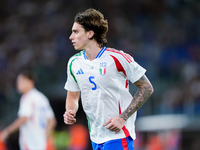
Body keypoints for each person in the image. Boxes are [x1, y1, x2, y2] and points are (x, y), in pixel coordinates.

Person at [63, 8, 154, 150]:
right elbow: (72, 97)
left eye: (75, 32)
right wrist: (70, 111)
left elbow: (147, 87)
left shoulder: (117, 58)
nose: (70, 36)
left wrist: (123, 118)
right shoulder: (73, 63)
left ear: (90, 33)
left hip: (118, 135)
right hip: (95, 136)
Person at [0, 70, 57, 150]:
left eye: (22, 81)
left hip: (30, 144)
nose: (18, 84)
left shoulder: (27, 97)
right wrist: (44, 135)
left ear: (31, 82)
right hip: (41, 145)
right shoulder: (42, 98)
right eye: (18, 81)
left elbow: (24, 118)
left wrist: (7, 131)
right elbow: (52, 121)